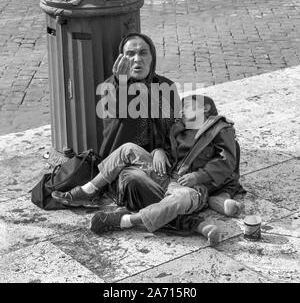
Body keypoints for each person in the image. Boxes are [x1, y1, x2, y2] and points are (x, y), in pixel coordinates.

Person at [53, 94, 245, 245]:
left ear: (204, 107)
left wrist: (198, 176)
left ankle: (126, 220)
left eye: (187, 105)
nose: (182, 110)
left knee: (180, 199)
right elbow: (169, 151)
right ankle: (88, 191)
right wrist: (158, 151)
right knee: (128, 149)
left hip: (194, 188)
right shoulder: (180, 129)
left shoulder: (221, 129)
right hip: (168, 174)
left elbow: (225, 160)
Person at [51, 32, 180, 208]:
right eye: (130, 54)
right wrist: (122, 84)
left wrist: (161, 149)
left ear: (153, 57)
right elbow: (118, 112)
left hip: (157, 163)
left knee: (148, 185)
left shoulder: (165, 87)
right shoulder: (110, 87)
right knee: (134, 180)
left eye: (143, 53)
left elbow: (175, 129)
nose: (137, 59)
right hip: (122, 165)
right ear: (121, 59)